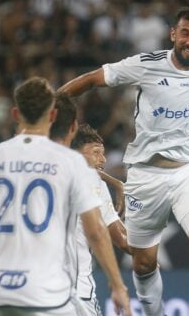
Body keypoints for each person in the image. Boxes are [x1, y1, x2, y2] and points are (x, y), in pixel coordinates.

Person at [58, 7, 189, 316]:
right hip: (145, 176)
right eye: (185, 33)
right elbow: (92, 79)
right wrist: (52, 107)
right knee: (143, 263)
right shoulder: (145, 65)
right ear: (173, 34)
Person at [0, 77, 131, 316]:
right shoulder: (71, 164)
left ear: (15, 114)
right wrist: (117, 284)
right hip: (47, 293)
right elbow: (96, 231)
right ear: (53, 117)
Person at [71, 124, 132, 315]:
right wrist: (146, 252)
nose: (103, 159)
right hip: (78, 291)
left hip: (39, 289)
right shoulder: (92, 181)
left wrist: (113, 181)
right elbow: (121, 239)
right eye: (96, 152)